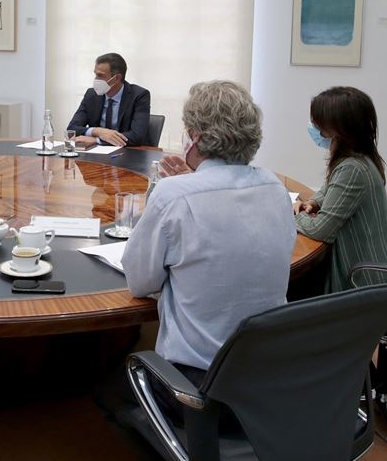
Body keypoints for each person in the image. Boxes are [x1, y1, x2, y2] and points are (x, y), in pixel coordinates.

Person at [117, 81, 296, 422]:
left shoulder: (174, 195)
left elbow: (139, 282)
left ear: (195, 137)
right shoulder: (275, 187)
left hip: (198, 391)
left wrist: (183, 188)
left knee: (108, 388)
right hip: (269, 381)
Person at [293, 87, 387, 292]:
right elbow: (329, 188)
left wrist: (291, 213)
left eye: (319, 123)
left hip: (360, 283)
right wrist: (313, 202)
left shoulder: (352, 169)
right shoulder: (361, 158)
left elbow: (320, 230)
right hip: (365, 272)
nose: (314, 128)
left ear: (338, 129)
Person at [67, 53, 151, 148]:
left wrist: (97, 140)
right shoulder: (92, 94)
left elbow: (137, 136)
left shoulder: (139, 95)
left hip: (129, 154)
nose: (96, 79)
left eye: (100, 75)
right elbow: (72, 128)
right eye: (95, 75)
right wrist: (97, 131)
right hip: (95, 154)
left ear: (117, 78)